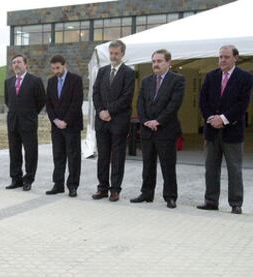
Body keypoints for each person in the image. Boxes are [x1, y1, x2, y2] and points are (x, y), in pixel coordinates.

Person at [197, 45, 253, 215]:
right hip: (212, 131)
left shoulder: (245, 78)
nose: (222, 60)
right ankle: (211, 201)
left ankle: (235, 203)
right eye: (220, 56)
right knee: (211, 168)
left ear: (235, 58)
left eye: (226, 57)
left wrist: (223, 119)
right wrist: (211, 119)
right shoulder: (211, 76)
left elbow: (242, 104)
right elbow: (203, 100)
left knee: (234, 169)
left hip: (233, 131)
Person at [130, 49, 185, 209]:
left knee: (168, 165)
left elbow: (174, 104)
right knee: (148, 164)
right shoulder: (146, 81)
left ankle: (170, 196)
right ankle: (147, 193)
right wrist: (145, 121)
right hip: (147, 130)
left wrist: (158, 121)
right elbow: (140, 103)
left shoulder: (178, 80)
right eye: (154, 61)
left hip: (166, 130)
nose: (156, 64)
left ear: (168, 62)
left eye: (159, 61)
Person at [91, 40, 135, 202]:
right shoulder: (102, 71)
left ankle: (115, 190)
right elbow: (95, 93)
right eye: (111, 53)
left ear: (122, 54)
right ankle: (102, 188)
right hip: (102, 121)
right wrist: (101, 111)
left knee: (117, 157)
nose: (113, 56)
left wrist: (110, 111)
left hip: (118, 122)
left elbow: (127, 97)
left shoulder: (128, 73)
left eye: (116, 53)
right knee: (102, 156)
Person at [4, 54, 46, 191]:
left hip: (28, 122)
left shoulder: (35, 81)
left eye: (19, 62)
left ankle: (28, 179)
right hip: (13, 123)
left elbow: (40, 101)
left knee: (30, 153)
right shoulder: (8, 82)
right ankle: (16, 179)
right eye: (14, 62)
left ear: (25, 65)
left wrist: (30, 114)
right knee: (14, 152)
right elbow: (7, 101)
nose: (16, 64)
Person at [45, 55, 83, 197]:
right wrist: (55, 120)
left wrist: (65, 121)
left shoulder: (75, 80)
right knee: (58, 155)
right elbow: (48, 103)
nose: (56, 71)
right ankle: (58, 184)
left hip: (71, 125)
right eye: (53, 68)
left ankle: (73, 186)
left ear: (64, 65)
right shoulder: (51, 81)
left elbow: (76, 102)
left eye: (58, 68)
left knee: (73, 157)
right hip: (56, 126)